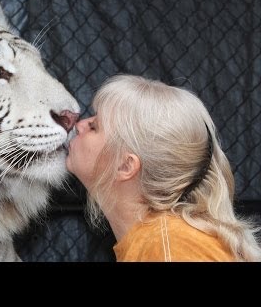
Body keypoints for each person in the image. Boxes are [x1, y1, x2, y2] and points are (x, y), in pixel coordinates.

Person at [66, 74, 261, 262]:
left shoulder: (170, 247)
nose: (79, 125)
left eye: (94, 126)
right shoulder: (162, 240)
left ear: (126, 166)